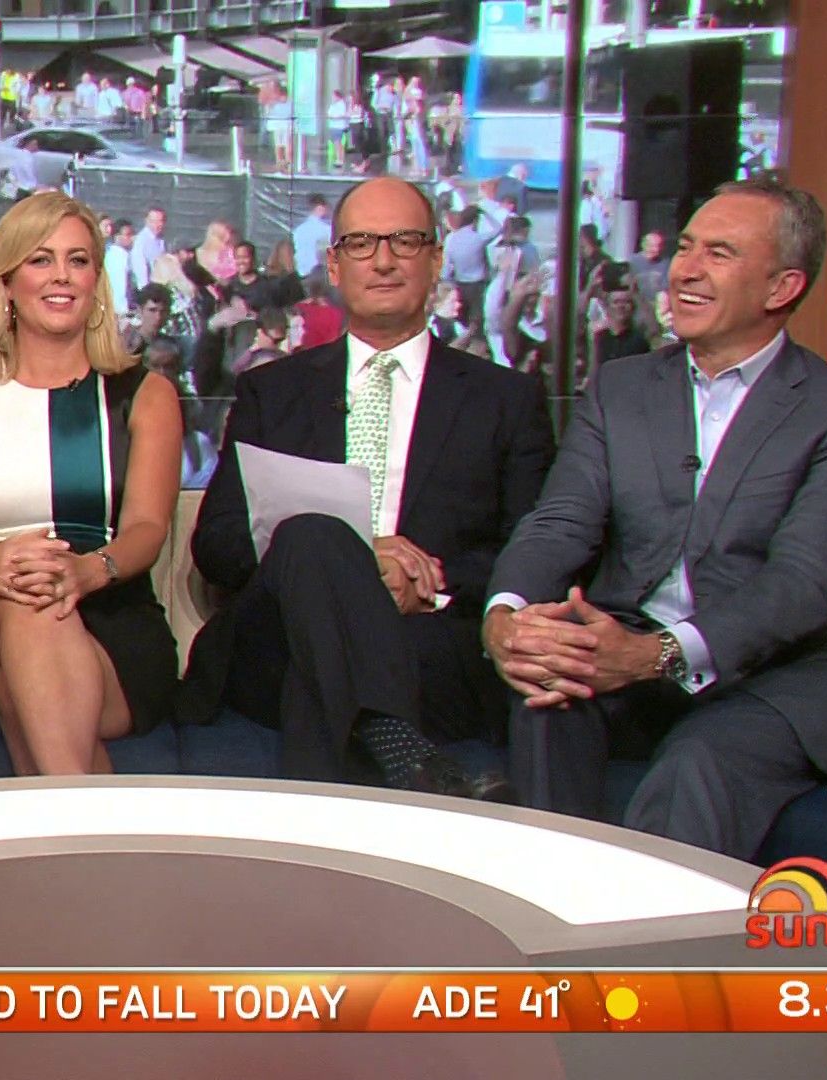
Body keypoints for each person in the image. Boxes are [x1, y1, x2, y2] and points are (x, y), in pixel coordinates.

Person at [484, 178, 827, 860]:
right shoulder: (622, 387)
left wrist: (655, 654)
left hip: (776, 678)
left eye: (719, 253)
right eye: (685, 248)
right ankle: (546, 908)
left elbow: (807, 581)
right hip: (630, 650)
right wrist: (505, 615)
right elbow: (560, 521)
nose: (685, 270)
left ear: (782, 287)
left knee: (697, 766)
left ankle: (653, 933)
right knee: (546, 695)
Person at [179, 177, 555, 796]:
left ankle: (371, 766)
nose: (383, 261)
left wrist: (423, 579)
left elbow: (532, 549)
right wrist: (354, 561)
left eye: (404, 241)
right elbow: (218, 545)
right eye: (361, 243)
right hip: (276, 637)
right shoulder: (272, 391)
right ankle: (403, 752)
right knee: (312, 536)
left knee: (319, 673)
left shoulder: (505, 400)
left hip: (426, 644)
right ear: (334, 264)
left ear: (436, 259)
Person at [0, 192, 184, 775]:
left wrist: (87, 571)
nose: (61, 275)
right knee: (31, 607)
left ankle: (71, 812)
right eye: (41, 259)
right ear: (7, 282)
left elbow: (146, 527)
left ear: (96, 281)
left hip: (113, 613)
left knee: (27, 680)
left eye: (78, 260)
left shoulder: (144, 395)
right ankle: (90, 815)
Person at [292, 194, 332, 285]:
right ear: (320, 208)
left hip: (300, 273)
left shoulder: (298, 230)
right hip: (318, 276)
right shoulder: (326, 230)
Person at [129, 205, 168, 291]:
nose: (156, 225)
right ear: (146, 221)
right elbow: (139, 269)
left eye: (160, 221)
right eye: (153, 221)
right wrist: (146, 291)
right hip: (149, 290)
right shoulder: (141, 241)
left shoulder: (161, 240)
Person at [105, 218, 136, 316]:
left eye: (133, 234)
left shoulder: (109, 254)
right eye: (128, 235)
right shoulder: (121, 257)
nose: (132, 238)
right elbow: (121, 286)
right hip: (120, 310)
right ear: (117, 237)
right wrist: (125, 310)